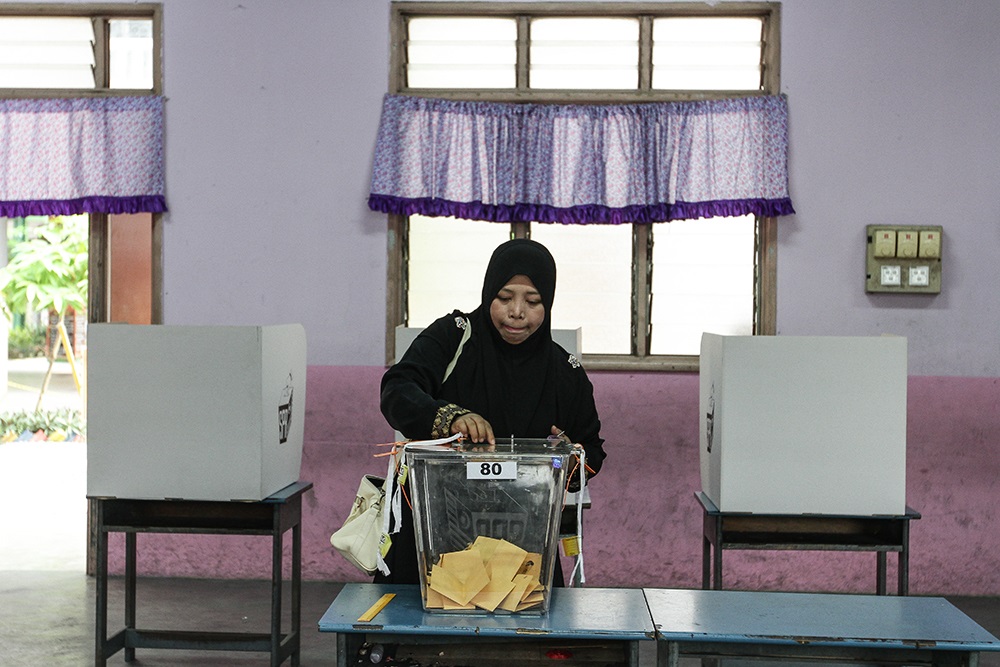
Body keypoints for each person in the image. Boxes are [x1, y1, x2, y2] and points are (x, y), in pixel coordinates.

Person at [377, 238, 606, 585]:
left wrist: (568, 460)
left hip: (522, 542)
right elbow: (397, 389)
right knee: (421, 627)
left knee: (524, 632)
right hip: (433, 530)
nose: (517, 312)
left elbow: (591, 451)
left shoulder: (562, 371)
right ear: (487, 295)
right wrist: (450, 417)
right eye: (504, 298)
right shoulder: (453, 337)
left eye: (533, 301)